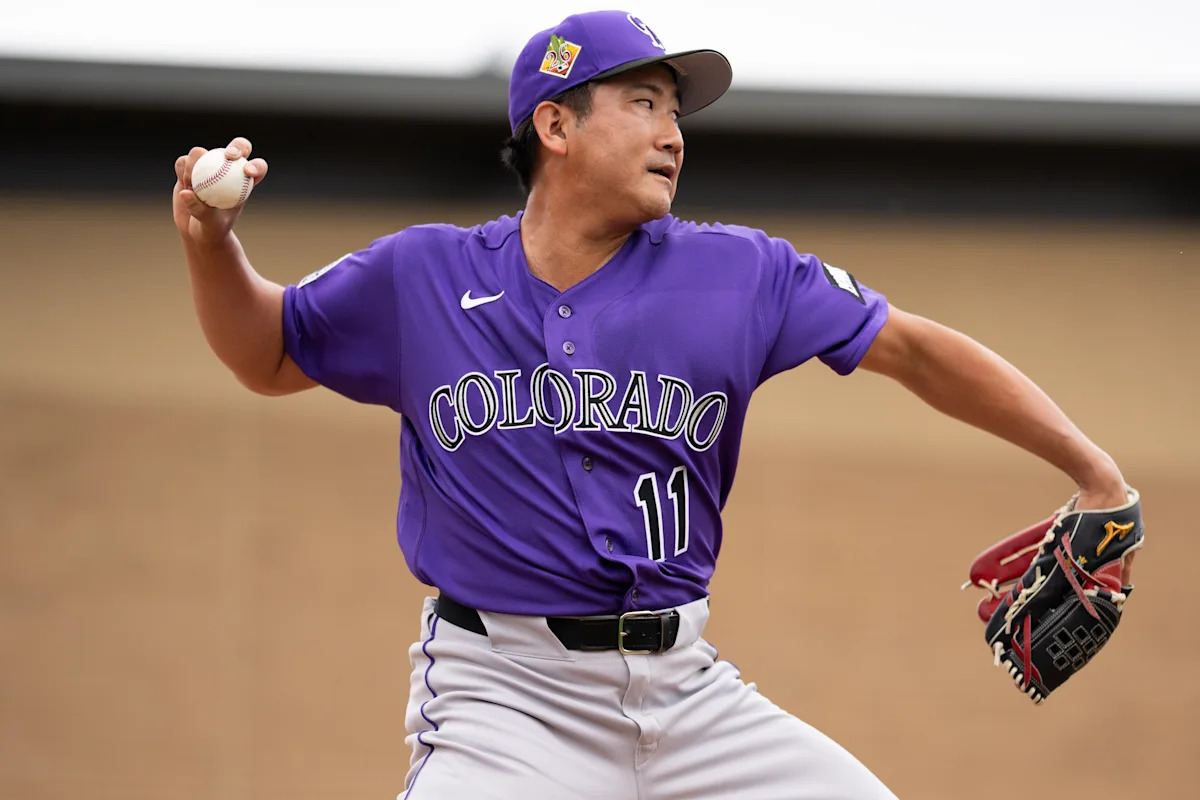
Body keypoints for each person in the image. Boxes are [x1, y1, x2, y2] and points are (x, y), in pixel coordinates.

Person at [171, 10, 1135, 799]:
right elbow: (268, 352)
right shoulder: (422, 274)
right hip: (508, 700)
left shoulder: (740, 272)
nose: (674, 133)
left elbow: (919, 352)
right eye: (644, 103)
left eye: (677, 112)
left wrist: (1095, 473)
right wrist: (212, 243)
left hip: (687, 693)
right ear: (556, 125)